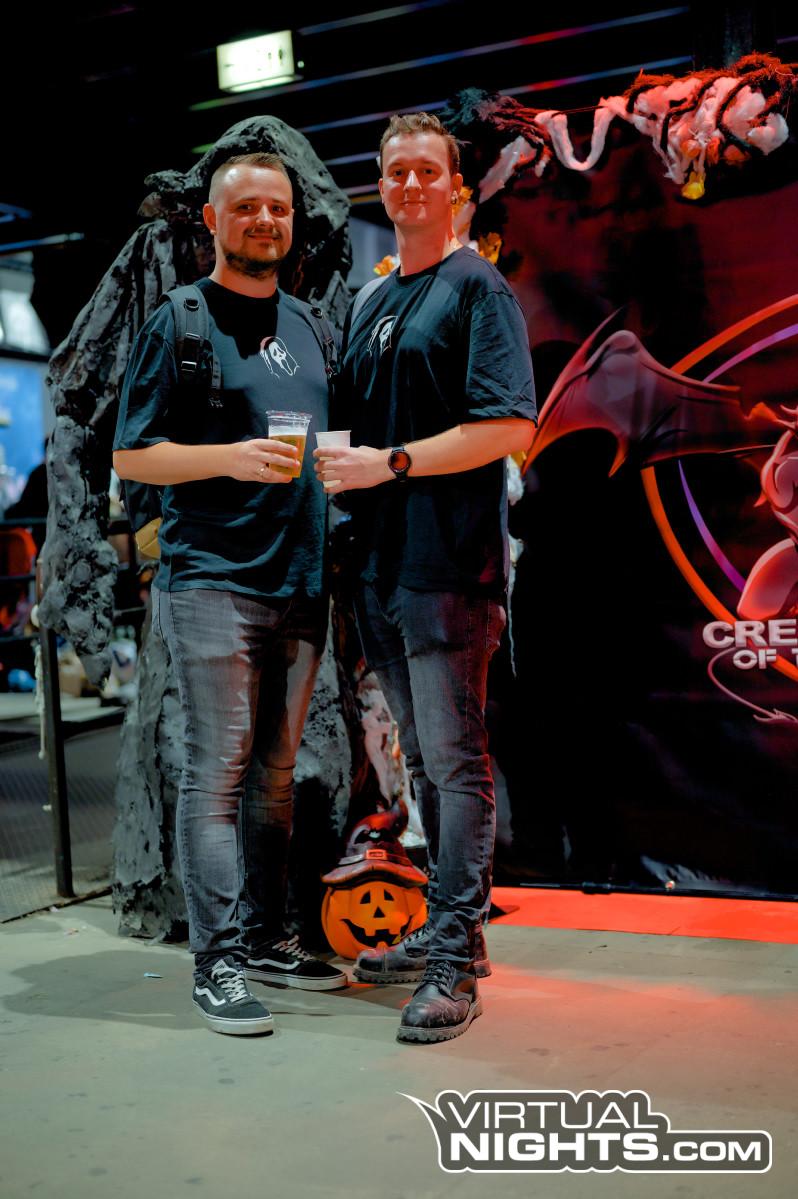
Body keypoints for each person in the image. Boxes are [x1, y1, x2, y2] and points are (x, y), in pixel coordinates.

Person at [314, 113, 537, 1044]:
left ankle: (453, 954)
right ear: (381, 183)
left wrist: (389, 464)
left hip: (448, 566)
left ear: (456, 188)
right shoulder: (373, 299)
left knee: (454, 760)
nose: (410, 184)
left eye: (426, 171)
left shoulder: (477, 287)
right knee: (423, 757)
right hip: (379, 568)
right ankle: (455, 935)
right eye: (396, 171)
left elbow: (510, 426)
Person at [113, 152, 347, 1037]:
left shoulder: (312, 324)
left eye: (276, 207)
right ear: (212, 220)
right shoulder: (180, 320)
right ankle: (216, 963)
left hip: (302, 580)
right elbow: (131, 455)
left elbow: (331, 438)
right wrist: (227, 458)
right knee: (215, 772)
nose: (264, 220)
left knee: (276, 777)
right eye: (244, 207)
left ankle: (265, 936)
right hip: (213, 578)